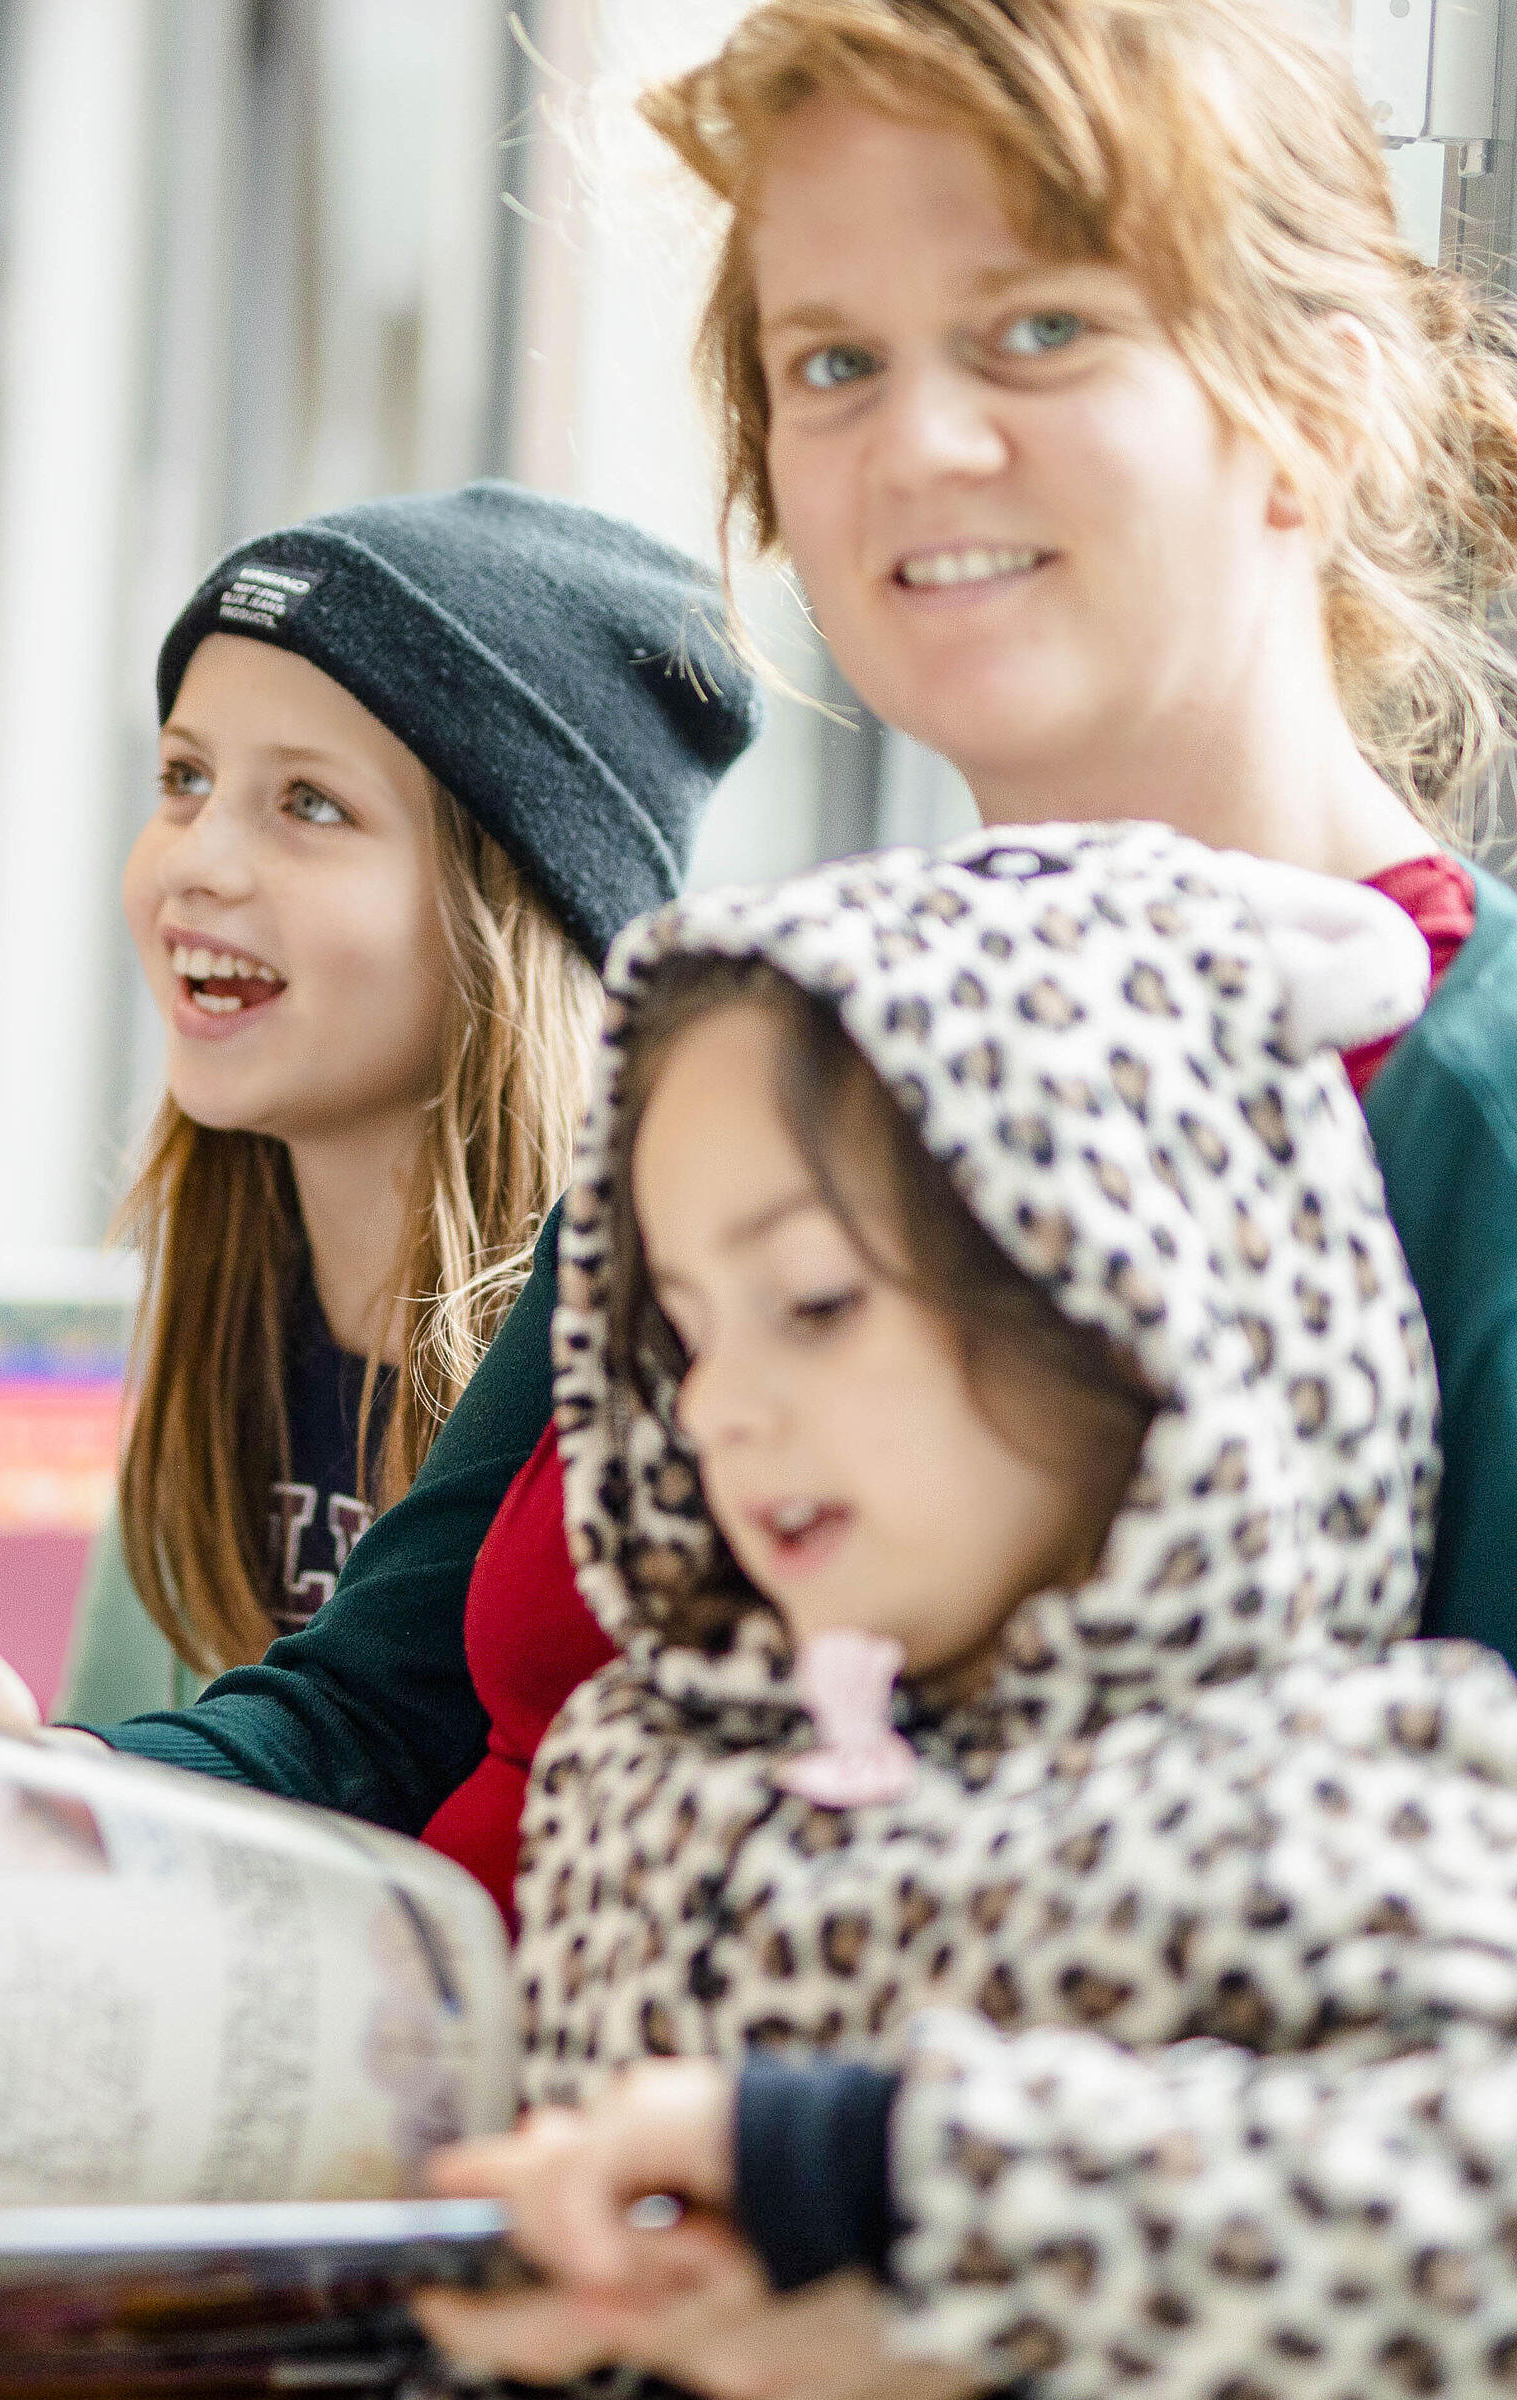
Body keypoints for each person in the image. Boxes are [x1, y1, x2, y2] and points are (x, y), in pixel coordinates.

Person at [0, 0, 1517, 1913]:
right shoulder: (744, 1047)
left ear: (1315, 411)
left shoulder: (1461, 1111)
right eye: (831, 360)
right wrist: (17, 1781)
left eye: (1041, 330)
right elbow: (374, 1725)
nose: (917, 440)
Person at [422, 819, 1517, 2398]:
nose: (718, 1406)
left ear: (1137, 1300)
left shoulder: (1342, 1786)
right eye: (683, 1327)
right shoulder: (631, 1791)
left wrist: (864, 2163)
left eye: (813, 1303)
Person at [0, 483, 756, 1725]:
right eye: (183, 779)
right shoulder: (226, 1312)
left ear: (509, 914)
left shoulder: (641, 1376)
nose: (197, 859)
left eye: (311, 804)